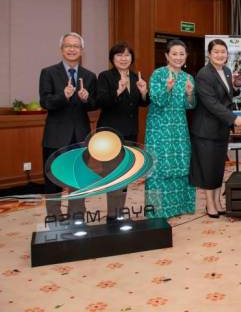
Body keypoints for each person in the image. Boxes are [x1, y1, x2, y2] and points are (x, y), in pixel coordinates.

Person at [39, 32, 97, 218]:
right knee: (52, 179)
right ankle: (54, 215)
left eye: (76, 46)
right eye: (68, 46)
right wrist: (63, 96)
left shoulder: (89, 76)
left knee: (78, 177)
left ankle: (77, 214)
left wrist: (87, 99)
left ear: (81, 50)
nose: (72, 49)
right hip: (55, 135)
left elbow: (95, 104)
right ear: (61, 49)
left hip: (81, 135)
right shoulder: (48, 72)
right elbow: (45, 102)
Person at [189, 39, 241, 218]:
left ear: (227, 54)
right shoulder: (204, 74)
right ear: (209, 54)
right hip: (205, 129)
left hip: (220, 128)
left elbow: (227, 94)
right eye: (216, 52)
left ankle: (218, 201)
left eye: (223, 51)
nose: (220, 55)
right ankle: (209, 204)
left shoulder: (227, 71)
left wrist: (236, 87)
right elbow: (211, 103)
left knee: (218, 167)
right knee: (207, 167)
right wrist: (233, 118)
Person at [96, 42, 150, 220]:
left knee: (126, 173)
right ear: (112, 58)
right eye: (119, 55)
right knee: (112, 173)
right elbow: (101, 101)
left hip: (130, 132)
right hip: (110, 134)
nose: (123, 58)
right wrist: (118, 91)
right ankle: (113, 214)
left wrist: (143, 92)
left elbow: (143, 103)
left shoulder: (136, 77)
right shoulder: (105, 77)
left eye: (127, 55)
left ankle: (120, 212)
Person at [145, 39, 196, 218]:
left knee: (181, 164)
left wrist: (190, 94)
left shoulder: (188, 77)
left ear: (186, 56)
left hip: (179, 127)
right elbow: (157, 100)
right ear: (166, 55)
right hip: (159, 128)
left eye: (182, 54)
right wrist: (167, 88)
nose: (178, 57)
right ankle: (156, 210)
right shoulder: (158, 74)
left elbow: (190, 106)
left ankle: (179, 207)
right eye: (174, 54)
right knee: (157, 168)